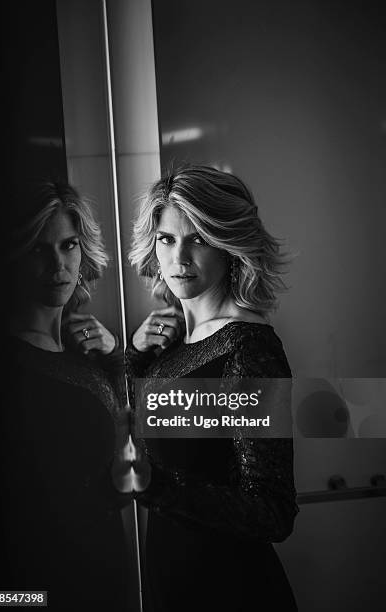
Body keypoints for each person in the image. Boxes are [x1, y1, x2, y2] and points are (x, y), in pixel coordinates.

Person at [126, 165, 299, 611]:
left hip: (234, 592)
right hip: (173, 589)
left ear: (228, 244)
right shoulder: (170, 347)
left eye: (198, 238)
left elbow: (272, 512)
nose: (179, 259)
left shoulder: (250, 348)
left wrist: (156, 486)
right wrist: (137, 357)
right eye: (167, 239)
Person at [0, 181, 131, 611]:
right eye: (38, 249)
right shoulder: (3, 364)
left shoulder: (83, 356)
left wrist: (113, 361)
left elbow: (124, 476)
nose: (57, 265)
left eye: (68, 246)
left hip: (104, 582)